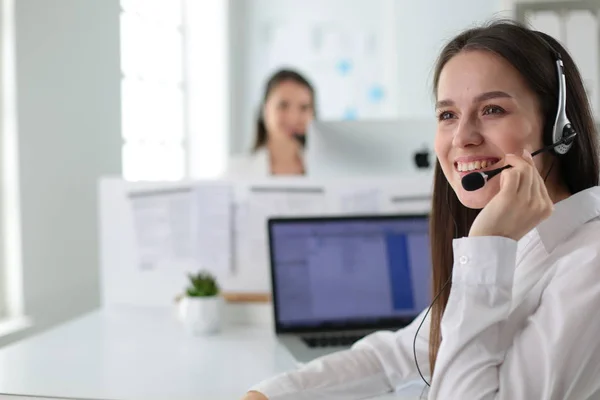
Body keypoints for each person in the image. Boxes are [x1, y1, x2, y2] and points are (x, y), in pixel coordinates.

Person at [241, 19, 600, 400]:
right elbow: (405, 353)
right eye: (447, 115)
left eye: (493, 109)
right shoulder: (526, 243)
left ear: (559, 128)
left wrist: (486, 246)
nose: (462, 137)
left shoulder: (587, 266)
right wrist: (269, 393)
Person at [226, 69, 317, 178]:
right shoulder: (236, 172)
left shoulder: (329, 171)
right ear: (265, 109)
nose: (293, 117)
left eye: (304, 108)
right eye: (283, 105)